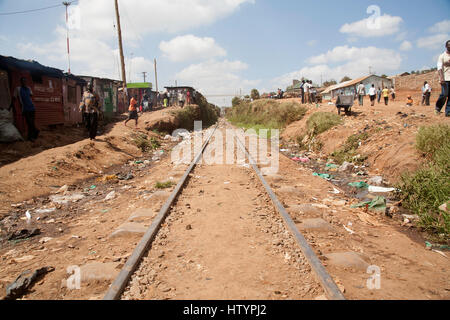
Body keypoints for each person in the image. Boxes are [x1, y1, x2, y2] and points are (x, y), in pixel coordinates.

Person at [13, 77, 39, 141]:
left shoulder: (29, 88)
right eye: (23, 81)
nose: (24, 82)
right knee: (29, 123)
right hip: (25, 109)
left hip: (32, 108)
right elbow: (14, 98)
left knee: (31, 123)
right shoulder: (18, 89)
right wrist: (12, 106)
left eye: (25, 81)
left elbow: (30, 97)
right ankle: (35, 132)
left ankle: (30, 137)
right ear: (21, 82)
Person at [435, 40, 450, 117]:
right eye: (449, 45)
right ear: (446, 46)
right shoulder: (442, 56)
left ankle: (448, 112)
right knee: (444, 94)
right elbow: (439, 68)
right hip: (445, 79)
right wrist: (441, 78)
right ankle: (438, 108)